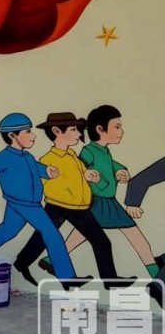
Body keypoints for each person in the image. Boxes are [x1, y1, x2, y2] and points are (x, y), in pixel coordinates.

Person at [13, 111, 132, 289]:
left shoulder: (72, 156)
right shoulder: (48, 159)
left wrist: (88, 176)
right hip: (64, 206)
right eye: (73, 129)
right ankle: (109, 280)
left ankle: (21, 262)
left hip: (76, 206)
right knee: (99, 241)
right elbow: (49, 185)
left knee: (43, 237)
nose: (78, 134)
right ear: (56, 131)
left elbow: (81, 175)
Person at [0, 113, 89, 289]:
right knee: (52, 234)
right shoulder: (4, 157)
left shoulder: (27, 156)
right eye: (27, 132)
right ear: (12, 135)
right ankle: (67, 277)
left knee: (8, 229)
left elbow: (35, 168)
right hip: (26, 204)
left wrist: (47, 171)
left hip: (24, 203)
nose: (33, 136)